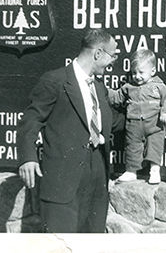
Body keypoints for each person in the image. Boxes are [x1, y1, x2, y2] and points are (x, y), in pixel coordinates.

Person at [17, 29, 123, 233]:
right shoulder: (54, 81)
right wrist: (27, 157)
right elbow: (30, 121)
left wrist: (146, 114)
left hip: (97, 180)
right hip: (62, 183)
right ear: (98, 53)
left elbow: (113, 121)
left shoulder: (99, 87)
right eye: (113, 55)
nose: (113, 61)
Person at [109, 49, 166, 185]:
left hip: (154, 125)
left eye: (141, 72)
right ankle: (131, 171)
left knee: (154, 146)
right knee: (132, 147)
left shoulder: (158, 86)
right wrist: (104, 90)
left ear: (153, 71)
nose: (137, 76)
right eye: (134, 72)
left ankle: (154, 171)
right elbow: (116, 97)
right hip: (134, 124)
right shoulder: (128, 87)